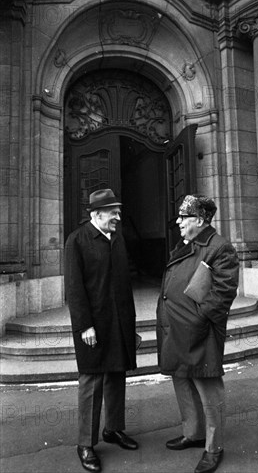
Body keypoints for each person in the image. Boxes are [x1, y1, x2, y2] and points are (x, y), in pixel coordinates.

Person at [156, 194, 239, 473]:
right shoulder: (187, 244)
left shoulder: (219, 247)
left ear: (200, 221)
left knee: (208, 387)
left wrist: (199, 319)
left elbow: (224, 292)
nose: (178, 222)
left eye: (184, 217)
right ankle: (193, 434)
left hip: (199, 331)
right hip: (176, 328)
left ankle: (213, 447)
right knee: (182, 380)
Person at [64, 189, 139, 473]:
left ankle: (114, 429)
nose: (118, 217)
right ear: (96, 214)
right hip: (92, 325)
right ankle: (85, 443)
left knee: (117, 374)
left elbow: (124, 284)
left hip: (119, 320)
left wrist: (130, 324)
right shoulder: (77, 240)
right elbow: (74, 288)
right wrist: (84, 326)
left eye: (118, 212)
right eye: (113, 212)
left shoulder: (117, 239)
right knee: (92, 380)